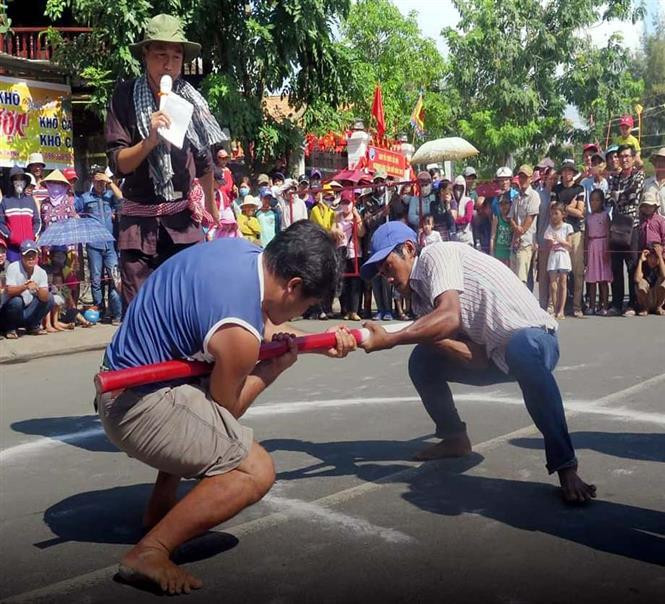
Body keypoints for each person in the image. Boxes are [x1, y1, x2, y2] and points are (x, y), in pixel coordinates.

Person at [98, 221, 356, 594]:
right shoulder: (239, 335)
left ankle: (160, 507)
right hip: (136, 406)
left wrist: (312, 342)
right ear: (294, 286)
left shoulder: (242, 256)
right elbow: (225, 412)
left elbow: (250, 323)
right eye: (307, 306)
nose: (301, 316)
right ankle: (150, 551)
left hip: (129, 382)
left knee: (200, 404)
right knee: (253, 469)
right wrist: (272, 370)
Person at [359, 222, 596, 504]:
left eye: (388, 266)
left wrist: (393, 337)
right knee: (422, 360)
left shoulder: (437, 256)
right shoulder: (421, 303)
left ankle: (566, 466)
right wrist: (430, 338)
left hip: (536, 342)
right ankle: (455, 438)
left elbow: (449, 317)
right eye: (381, 273)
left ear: (409, 250)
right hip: (495, 356)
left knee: (519, 348)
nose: (386, 277)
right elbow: (478, 360)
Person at [105, 14, 224, 306]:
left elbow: (205, 161)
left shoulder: (191, 100)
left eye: (176, 56)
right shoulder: (124, 96)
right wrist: (150, 141)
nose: (168, 64)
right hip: (138, 229)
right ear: (145, 55)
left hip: (183, 227)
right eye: (160, 55)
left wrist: (211, 210)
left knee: (189, 311)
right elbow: (118, 164)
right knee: (140, 317)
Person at [76, 168, 123, 324]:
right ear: (92, 182)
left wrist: (110, 182)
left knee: (114, 277)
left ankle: (116, 312)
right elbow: (76, 211)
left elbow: (121, 198)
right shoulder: (85, 197)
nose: (100, 184)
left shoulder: (111, 196)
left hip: (111, 244)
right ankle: (100, 308)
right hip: (93, 244)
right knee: (96, 279)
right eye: (97, 181)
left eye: (102, 181)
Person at [608, 144, 645, 316]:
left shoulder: (639, 175)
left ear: (633, 157)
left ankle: (632, 304)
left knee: (631, 266)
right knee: (616, 266)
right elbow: (609, 198)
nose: (624, 159)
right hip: (616, 226)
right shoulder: (614, 178)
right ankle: (616, 304)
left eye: (627, 156)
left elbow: (632, 195)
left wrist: (618, 196)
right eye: (621, 156)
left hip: (632, 225)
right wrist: (619, 196)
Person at [0, 240, 53, 338]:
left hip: (26, 311)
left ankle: (32, 326)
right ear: (21, 256)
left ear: (37, 256)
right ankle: (10, 328)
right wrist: (25, 286)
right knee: (17, 301)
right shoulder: (13, 267)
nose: (31, 258)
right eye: (27, 255)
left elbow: (45, 298)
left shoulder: (41, 272)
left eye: (33, 255)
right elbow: (9, 291)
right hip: (10, 311)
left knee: (50, 297)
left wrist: (38, 289)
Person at [552, 160, 585, 317]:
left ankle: (577, 306)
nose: (567, 173)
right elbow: (553, 210)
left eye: (570, 170)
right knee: (559, 272)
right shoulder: (555, 189)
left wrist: (563, 207)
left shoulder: (580, 188)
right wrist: (569, 207)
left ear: (573, 172)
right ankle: (560, 307)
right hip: (558, 233)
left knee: (577, 272)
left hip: (576, 232)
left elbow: (580, 213)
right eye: (565, 170)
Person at [332, 191, 364, 321]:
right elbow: (332, 230)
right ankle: (345, 310)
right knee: (343, 282)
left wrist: (357, 218)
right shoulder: (337, 216)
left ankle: (354, 311)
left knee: (355, 283)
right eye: (343, 203)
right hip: (341, 251)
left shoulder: (357, 216)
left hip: (354, 252)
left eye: (348, 203)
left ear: (352, 204)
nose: (345, 206)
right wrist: (335, 230)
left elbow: (362, 233)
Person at [507, 165, 540, 285]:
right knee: (515, 279)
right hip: (515, 242)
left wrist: (519, 230)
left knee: (522, 279)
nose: (522, 179)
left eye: (525, 177)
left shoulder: (534, 196)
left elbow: (530, 218)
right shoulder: (516, 197)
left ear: (530, 178)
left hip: (526, 242)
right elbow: (510, 217)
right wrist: (516, 228)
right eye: (520, 176)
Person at [0, 168, 41, 262]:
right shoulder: (5, 200)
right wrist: (10, 235)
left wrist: (32, 235)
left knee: (30, 275)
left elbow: (37, 221)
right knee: (13, 274)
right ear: (12, 182)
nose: (19, 182)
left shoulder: (30, 200)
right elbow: (1, 223)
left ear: (25, 182)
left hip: (29, 248)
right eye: (16, 179)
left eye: (21, 179)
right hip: (12, 249)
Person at [584, 190, 612, 316]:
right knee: (592, 279)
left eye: (597, 200)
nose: (594, 203)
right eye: (592, 200)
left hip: (602, 246)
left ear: (602, 202)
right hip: (592, 246)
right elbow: (586, 235)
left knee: (603, 279)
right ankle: (592, 306)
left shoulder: (605, 215)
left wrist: (607, 249)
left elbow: (608, 232)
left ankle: (605, 306)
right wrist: (585, 252)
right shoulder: (588, 217)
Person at [545, 203, 574, 320]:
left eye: (556, 213)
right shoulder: (549, 227)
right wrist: (551, 242)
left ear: (563, 214)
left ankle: (561, 310)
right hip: (553, 256)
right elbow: (548, 244)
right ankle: (555, 308)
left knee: (563, 282)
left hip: (563, 256)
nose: (553, 216)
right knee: (553, 284)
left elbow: (570, 245)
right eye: (552, 214)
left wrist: (561, 241)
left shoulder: (568, 227)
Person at [534, 161, 557, 310]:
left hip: (556, 241)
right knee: (543, 275)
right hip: (542, 239)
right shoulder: (539, 195)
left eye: (556, 179)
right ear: (545, 178)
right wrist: (536, 239)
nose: (553, 181)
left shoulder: (559, 194)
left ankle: (553, 304)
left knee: (554, 274)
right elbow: (536, 219)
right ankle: (543, 305)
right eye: (551, 178)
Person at [635, 244, 665, 315]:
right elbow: (637, 279)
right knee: (640, 282)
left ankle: (659, 307)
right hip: (647, 299)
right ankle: (645, 308)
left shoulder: (661, 264)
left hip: (657, 298)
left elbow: (664, 275)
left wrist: (660, 256)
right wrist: (640, 260)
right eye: (650, 257)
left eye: (655, 258)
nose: (653, 260)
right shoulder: (643, 265)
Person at [490, 194, 512, 267]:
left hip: (509, 252)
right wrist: (492, 252)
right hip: (499, 252)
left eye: (506, 203)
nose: (504, 206)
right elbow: (493, 237)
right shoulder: (497, 218)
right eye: (501, 204)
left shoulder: (513, 220)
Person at [642, 147, 665, 216]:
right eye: (659, 161)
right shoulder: (646, 183)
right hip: (650, 224)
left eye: (664, 161)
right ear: (655, 163)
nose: (661, 164)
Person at [452, 175, 474, 245]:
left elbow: (468, 218)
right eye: (456, 188)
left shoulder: (468, 201)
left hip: (466, 236)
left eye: (460, 188)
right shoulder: (452, 202)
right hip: (455, 237)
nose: (458, 191)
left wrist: (456, 221)